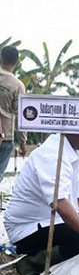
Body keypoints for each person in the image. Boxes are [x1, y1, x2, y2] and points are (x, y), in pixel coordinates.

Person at [4, 133, 79, 275]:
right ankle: (30, 264)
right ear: (75, 129)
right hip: (29, 228)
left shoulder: (72, 153)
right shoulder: (52, 155)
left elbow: (77, 201)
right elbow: (59, 202)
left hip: (54, 221)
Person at [0, 46, 28, 181]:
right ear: (17, 62)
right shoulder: (17, 85)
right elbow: (20, 117)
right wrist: (23, 142)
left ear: (1, 58)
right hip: (4, 137)